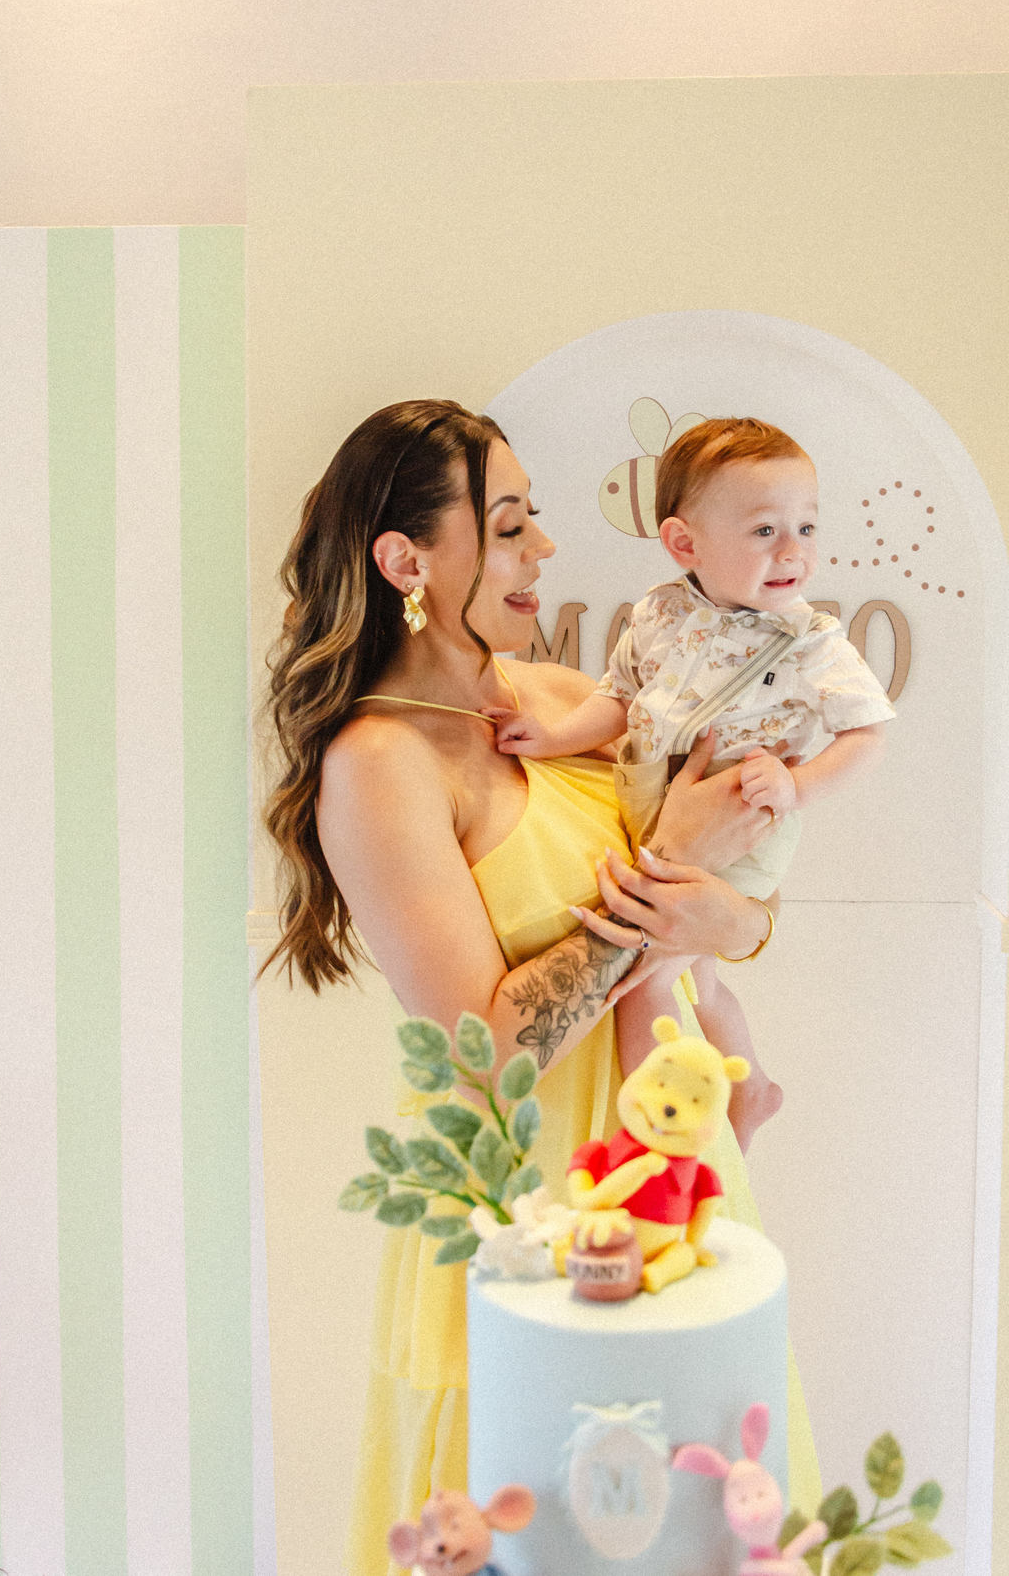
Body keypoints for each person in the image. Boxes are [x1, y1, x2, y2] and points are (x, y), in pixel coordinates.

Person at [261, 399, 821, 1575]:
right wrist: (673, 856)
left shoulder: (557, 699)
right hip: (527, 1209)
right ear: (407, 561)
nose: (544, 548)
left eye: (536, 519)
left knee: (705, 1512)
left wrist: (727, 910)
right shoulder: (380, 763)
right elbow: (491, 1049)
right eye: (508, 525)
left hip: (671, 1167)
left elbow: (734, 913)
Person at [491, 417, 895, 1150]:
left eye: (806, 526)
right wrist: (551, 737)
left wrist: (796, 786)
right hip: (656, 798)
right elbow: (618, 698)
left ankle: (655, 1142)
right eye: (765, 530)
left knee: (644, 980)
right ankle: (752, 1085)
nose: (793, 551)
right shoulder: (662, 611)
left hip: (743, 817)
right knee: (697, 980)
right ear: (684, 544)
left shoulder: (810, 641)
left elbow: (868, 735)